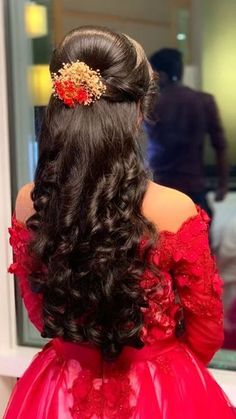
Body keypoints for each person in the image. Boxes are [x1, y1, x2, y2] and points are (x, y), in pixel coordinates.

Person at [4, 26, 236, 419]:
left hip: (61, 388)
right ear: (138, 114)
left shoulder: (31, 201)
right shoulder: (172, 209)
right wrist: (169, 369)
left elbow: (38, 311)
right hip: (159, 390)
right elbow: (206, 332)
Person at [145, 48, 228, 216]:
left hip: (161, 188)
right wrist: (223, 185)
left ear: (162, 75)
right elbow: (220, 146)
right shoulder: (205, 101)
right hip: (193, 187)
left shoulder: (152, 104)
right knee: (199, 238)